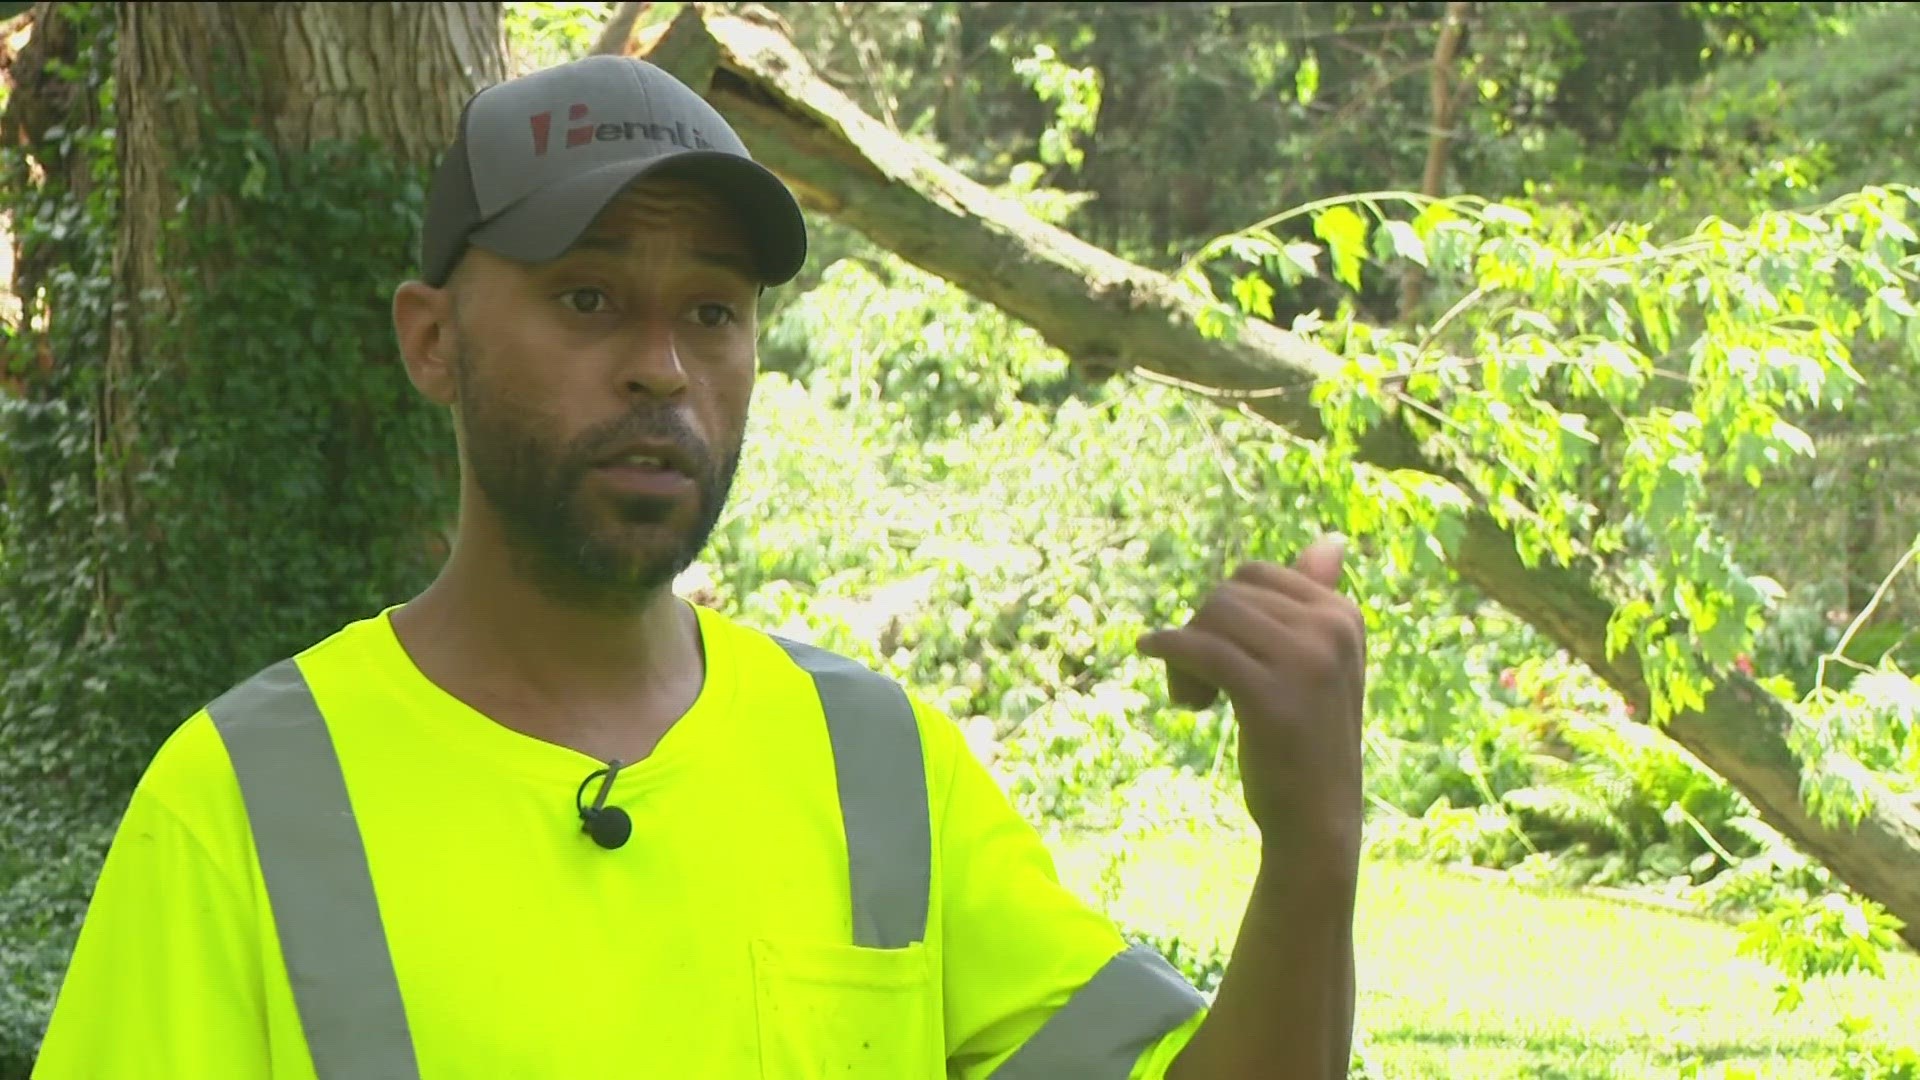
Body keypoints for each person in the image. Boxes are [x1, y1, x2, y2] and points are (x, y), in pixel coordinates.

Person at [31, 54, 1365, 1080]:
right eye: (589, 298)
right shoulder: (241, 807)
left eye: (712, 312)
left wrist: (1310, 849)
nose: (661, 367)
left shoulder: (883, 772)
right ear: (431, 341)